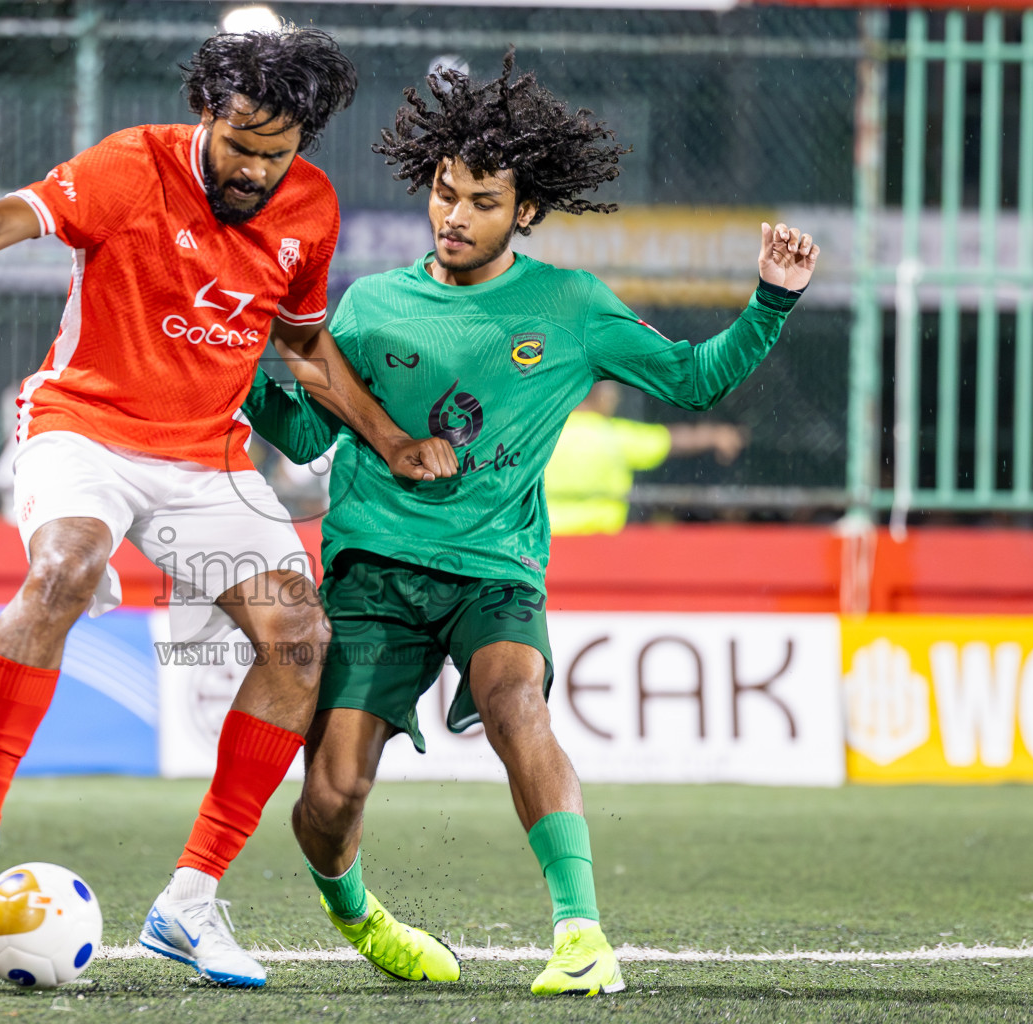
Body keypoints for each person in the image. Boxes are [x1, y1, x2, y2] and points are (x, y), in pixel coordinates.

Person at [0, 27, 455, 989]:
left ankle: (189, 905)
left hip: (207, 454)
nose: (257, 171)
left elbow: (307, 347)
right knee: (63, 569)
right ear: (208, 116)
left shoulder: (309, 208)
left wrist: (390, 440)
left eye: (277, 154)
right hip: (87, 424)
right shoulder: (132, 165)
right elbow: (11, 217)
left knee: (299, 637)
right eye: (241, 146)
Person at [240, 51, 818, 997]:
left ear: (527, 213)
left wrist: (770, 300)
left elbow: (692, 379)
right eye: (443, 192)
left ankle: (582, 933)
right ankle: (354, 911)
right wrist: (243, 365)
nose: (454, 216)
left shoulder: (572, 307)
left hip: (494, 567)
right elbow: (305, 429)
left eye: (480, 201)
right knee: (332, 795)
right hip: (373, 569)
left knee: (517, 698)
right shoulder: (374, 303)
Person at [544, 379, 748, 535]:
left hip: (550, 545)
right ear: (600, 395)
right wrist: (715, 435)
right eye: (613, 393)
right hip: (600, 544)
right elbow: (672, 440)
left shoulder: (543, 437)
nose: (617, 399)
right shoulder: (616, 437)